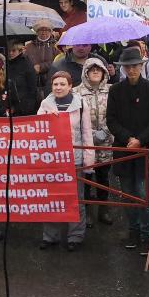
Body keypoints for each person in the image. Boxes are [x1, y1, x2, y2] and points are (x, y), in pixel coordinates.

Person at [106, 46, 149, 252]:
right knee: (128, 194)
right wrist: (127, 137)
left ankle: (147, 235)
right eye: (128, 67)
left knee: (143, 193)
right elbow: (110, 119)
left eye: (135, 66)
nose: (131, 70)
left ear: (141, 66)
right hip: (123, 149)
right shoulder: (115, 90)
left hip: (145, 149)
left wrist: (140, 139)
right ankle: (133, 231)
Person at [37, 71, 94, 251]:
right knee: (51, 198)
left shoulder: (81, 104)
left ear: (70, 86)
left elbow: (86, 133)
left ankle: (75, 236)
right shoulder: (45, 104)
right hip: (52, 159)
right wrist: (47, 119)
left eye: (62, 84)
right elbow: (37, 129)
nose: (58, 87)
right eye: (55, 84)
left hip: (74, 158)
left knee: (77, 198)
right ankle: (50, 236)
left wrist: (88, 161)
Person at [74, 58, 114, 226]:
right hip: (86, 144)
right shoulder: (76, 92)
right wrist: (90, 134)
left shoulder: (112, 91)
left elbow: (115, 114)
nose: (96, 71)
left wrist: (105, 132)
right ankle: (88, 212)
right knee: (87, 179)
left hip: (106, 142)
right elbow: (75, 117)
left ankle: (103, 210)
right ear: (86, 72)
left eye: (99, 69)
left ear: (104, 72)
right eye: (92, 69)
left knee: (103, 179)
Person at [24, 19, 58, 101]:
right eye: (41, 30)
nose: (44, 32)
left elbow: (57, 62)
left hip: (50, 81)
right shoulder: (29, 46)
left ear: (50, 32)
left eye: (46, 30)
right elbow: (25, 62)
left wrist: (41, 67)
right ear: (36, 31)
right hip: (33, 82)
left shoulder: (56, 46)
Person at [6, 39, 38, 115]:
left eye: (13, 51)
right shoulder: (7, 64)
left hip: (25, 104)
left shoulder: (26, 64)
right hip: (10, 102)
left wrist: (29, 105)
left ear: (20, 51)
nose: (10, 53)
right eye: (9, 51)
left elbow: (32, 87)